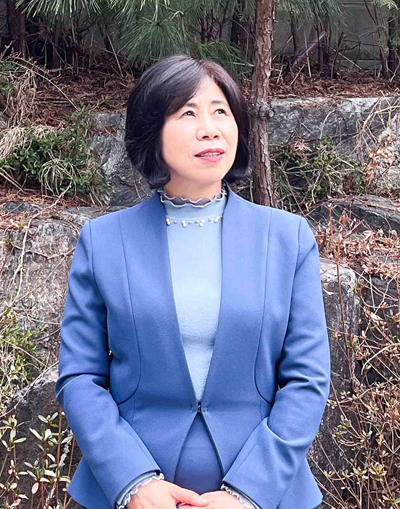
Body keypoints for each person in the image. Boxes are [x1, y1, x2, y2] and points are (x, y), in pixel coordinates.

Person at [55, 54, 331, 509]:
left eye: (221, 111)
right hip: (133, 494)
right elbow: (81, 376)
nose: (210, 129)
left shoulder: (287, 238)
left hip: (265, 492)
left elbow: (307, 378)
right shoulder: (104, 241)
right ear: (152, 131)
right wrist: (133, 483)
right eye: (188, 113)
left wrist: (248, 494)